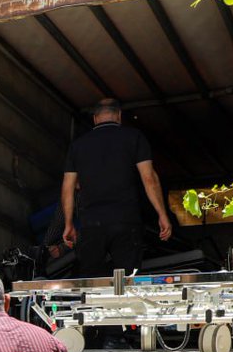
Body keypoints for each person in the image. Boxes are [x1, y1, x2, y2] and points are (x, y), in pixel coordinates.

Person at [61, 98, 172, 278]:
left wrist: (68, 224)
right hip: (126, 221)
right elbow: (149, 178)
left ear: (95, 119)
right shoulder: (134, 137)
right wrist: (162, 214)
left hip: (91, 224)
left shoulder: (77, 146)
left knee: (91, 281)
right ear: (119, 116)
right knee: (128, 280)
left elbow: (67, 187)